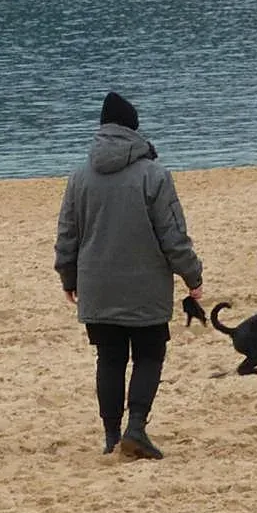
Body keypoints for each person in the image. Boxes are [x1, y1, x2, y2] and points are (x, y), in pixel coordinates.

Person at [54, 91, 204, 459]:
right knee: (149, 355)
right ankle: (135, 428)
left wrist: (68, 276)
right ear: (134, 129)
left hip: (97, 284)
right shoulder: (154, 174)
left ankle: (110, 436)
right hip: (146, 284)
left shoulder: (80, 177)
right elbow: (173, 234)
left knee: (109, 358)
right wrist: (192, 275)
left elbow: (67, 234)